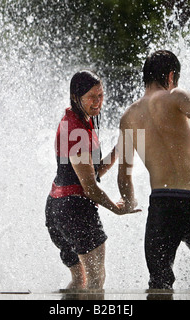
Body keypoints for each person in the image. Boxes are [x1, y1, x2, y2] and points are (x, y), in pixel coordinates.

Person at [117, 48, 190, 289]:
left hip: (162, 204)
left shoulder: (128, 116)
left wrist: (128, 203)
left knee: (159, 282)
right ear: (171, 76)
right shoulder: (175, 96)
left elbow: (124, 175)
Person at [45, 70, 139, 290]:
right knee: (96, 282)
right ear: (76, 97)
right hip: (75, 212)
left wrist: (119, 149)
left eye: (101, 95)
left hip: (57, 209)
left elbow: (91, 173)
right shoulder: (76, 130)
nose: (98, 102)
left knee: (80, 281)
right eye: (92, 97)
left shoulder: (76, 120)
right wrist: (116, 209)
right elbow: (89, 187)